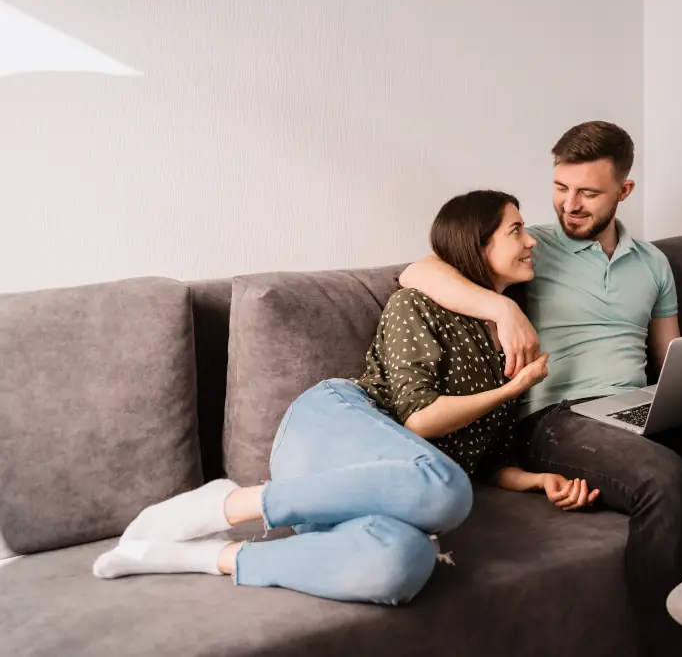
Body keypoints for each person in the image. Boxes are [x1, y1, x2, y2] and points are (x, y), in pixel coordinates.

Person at [399, 122, 682, 656]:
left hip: (640, 407)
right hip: (557, 418)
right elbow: (418, 271)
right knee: (664, 476)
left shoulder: (653, 264)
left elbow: (669, 356)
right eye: (561, 187)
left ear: (624, 191)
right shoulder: (529, 247)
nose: (569, 204)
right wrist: (503, 308)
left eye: (588, 193)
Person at [92, 190, 598, 605]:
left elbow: (486, 458)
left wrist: (536, 481)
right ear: (478, 244)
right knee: (446, 490)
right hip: (333, 426)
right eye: (515, 230)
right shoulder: (419, 304)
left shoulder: (511, 342)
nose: (531, 240)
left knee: (401, 566)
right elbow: (421, 419)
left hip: (383, 487)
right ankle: (229, 504)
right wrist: (511, 388)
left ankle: (204, 557)